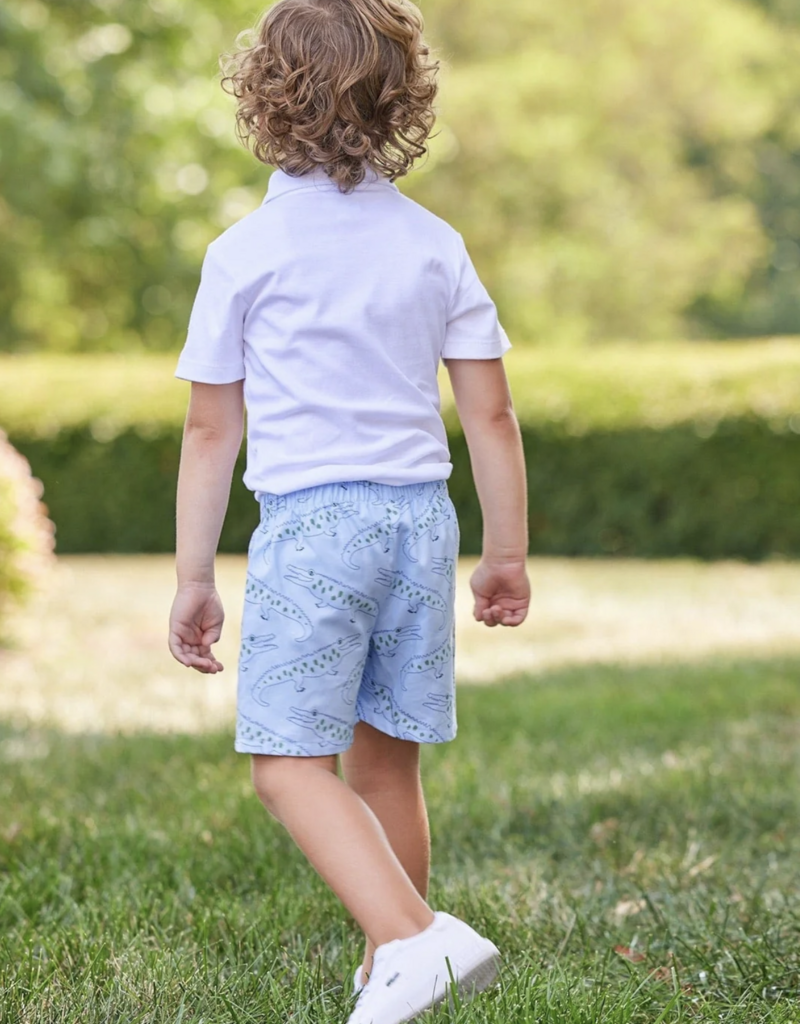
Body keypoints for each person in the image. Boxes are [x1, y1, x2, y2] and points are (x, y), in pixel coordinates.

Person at [167, 0, 530, 1020]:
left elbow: (208, 433)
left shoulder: (243, 253)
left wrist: (194, 576)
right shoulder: (434, 243)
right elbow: (491, 414)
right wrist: (506, 552)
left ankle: (413, 940)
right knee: (384, 757)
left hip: (314, 527)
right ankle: (393, 968)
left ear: (261, 102)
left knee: (286, 767)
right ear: (401, 103)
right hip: (419, 523)